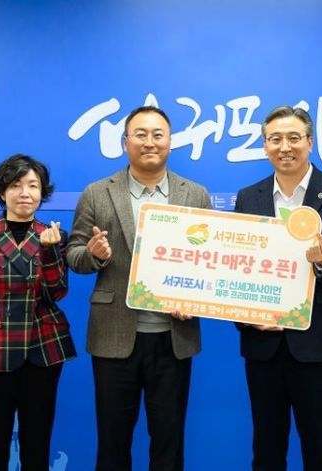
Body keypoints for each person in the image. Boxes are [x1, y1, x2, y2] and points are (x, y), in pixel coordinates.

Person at [67, 105, 211, 471]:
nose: (150, 142)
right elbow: (73, 254)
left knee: (169, 440)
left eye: (158, 135)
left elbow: (209, 263)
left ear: (170, 142)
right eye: (141, 134)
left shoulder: (195, 194)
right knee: (113, 441)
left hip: (174, 337)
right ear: (125, 142)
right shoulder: (97, 192)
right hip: (114, 335)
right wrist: (94, 255)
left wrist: (194, 299)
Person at [234, 105, 322, 470]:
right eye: (275, 139)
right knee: (266, 450)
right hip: (263, 344)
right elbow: (235, 271)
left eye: (294, 138)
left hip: (318, 344)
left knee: (319, 450)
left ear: (309, 142)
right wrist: (247, 318)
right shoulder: (249, 197)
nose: (285, 147)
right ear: (265, 146)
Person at [0, 154, 76, 471]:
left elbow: (56, 293)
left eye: (33, 185)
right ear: (2, 192)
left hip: (43, 351)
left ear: (42, 192)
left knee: (37, 447)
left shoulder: (54, 236)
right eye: (16, 185)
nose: (25, 193)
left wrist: (50, 252)